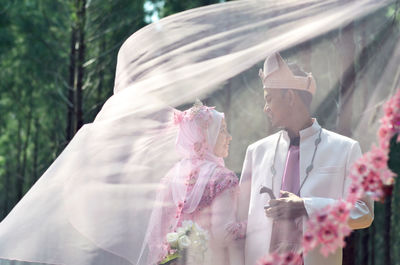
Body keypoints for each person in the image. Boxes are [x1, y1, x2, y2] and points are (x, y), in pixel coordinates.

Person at [237, 53, 374, 265]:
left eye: (269, 98)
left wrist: (306, 206)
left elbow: (363, 212)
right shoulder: (256, 152)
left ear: (290, 97)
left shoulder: (345, 149)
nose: (265, 108)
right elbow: (239, 221)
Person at [142, 101, 245, 265]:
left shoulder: (171, 176)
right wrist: (251, 224)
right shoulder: (223, 178)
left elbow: (156, 234)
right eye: (222, 130)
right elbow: (223, 234)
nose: (229, 137)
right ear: (206, 136)